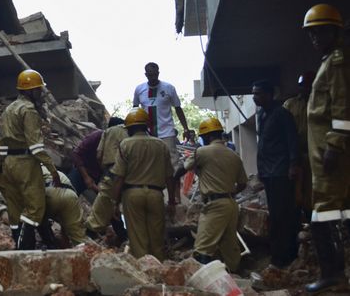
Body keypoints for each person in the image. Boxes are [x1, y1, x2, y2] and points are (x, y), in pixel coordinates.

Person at [302, 4, 350, 293]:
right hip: (322, 155)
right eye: (312, 33)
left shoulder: (337, 63)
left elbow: (343, 106)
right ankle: (334, 273)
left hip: (331, 155)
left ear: (335, 31)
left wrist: (335, 145)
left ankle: (333, 274)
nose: (315, 37)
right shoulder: (326, 62)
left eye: (320, 31)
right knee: (329, 214)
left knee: (325, 215)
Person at [174, 117, 248, 271]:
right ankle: (237, 278)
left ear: (206, 137)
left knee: (202, 248)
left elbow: (185, 168)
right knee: (229, 245)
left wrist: (172, 178)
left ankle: (206, 284)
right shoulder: (234, 155)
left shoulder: (202, 152)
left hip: (214, 205)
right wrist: (228, 192)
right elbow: (242, 184)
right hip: (231, 205)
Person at [0, 69, 60, 250]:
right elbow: (35, 146)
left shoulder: (9, 109)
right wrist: (52, 170)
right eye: (38, 90)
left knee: (15, 208)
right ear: (30, 91)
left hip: (8, 163)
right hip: (25, 163)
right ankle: (24, 248)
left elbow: (2, 142)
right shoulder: (29, 109)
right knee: (35, 207)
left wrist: (3, 164)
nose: (41, 93)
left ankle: (25, 244)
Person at [111, 107, 175, 260]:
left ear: (129, 129)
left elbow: (119, 177)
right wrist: (172, 200)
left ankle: (145, 271)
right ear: (147, 125)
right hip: (155, 194)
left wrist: (114, 201)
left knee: (138, 239)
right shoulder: (160, 145)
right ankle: (159, 270)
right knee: (157, 238)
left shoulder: (125, 145)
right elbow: (169, 176)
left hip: (132, 194)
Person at [252, 79, 300, 268]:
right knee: (275, 215)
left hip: (281, 172)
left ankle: (286, 256)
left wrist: (294, 165)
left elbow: (292, 140)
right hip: (269, 173)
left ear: (269, 94)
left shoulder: (282, 114)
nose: (255, 97)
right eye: (253, 94)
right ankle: (278, 254)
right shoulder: (263, 114)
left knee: (284, 216)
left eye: (258, 93)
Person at [132, 62, 194, 202]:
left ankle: (176, 197)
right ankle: (154, 196)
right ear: (146, 74)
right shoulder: (139, 89)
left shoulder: (168, 88)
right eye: (149, 74)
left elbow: (178, 108)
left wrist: (185, 128)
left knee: (174, 166)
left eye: (154, 74)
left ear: (158, 73)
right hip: (147, 134)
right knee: (148, 164)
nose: (152, 76)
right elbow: (135, 110)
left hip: (166, 133)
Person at [84, 117, 128, 241]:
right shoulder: (132, 131)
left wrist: (105, 171)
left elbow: (99, 155)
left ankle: (89, 236)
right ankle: (126, 237)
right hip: (133, 174)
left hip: (112, 172)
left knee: (103, 206)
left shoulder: (108, 132)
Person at [283, 72, 316, 221]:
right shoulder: (290, 105)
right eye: (303, 86)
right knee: (295, 192)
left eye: (309, 85)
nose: (306, 89)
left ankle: (313, 220)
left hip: (317, 155)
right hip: (295, 155)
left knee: (314, 192)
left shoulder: (322, 101)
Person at [42, 166, 88, 247]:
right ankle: (84, 253)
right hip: (69, 195)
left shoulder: (30, 167)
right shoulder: (52, 170)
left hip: (48, 194)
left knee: (39, 221)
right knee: (78, 238)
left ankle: (50, 246)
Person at [67, 128, 103, 198]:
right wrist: (86, 177)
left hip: (98, 179)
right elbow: (76, 154)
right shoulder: (97, 136)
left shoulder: (121, 147)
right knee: (67, 193)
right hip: (82, 171)